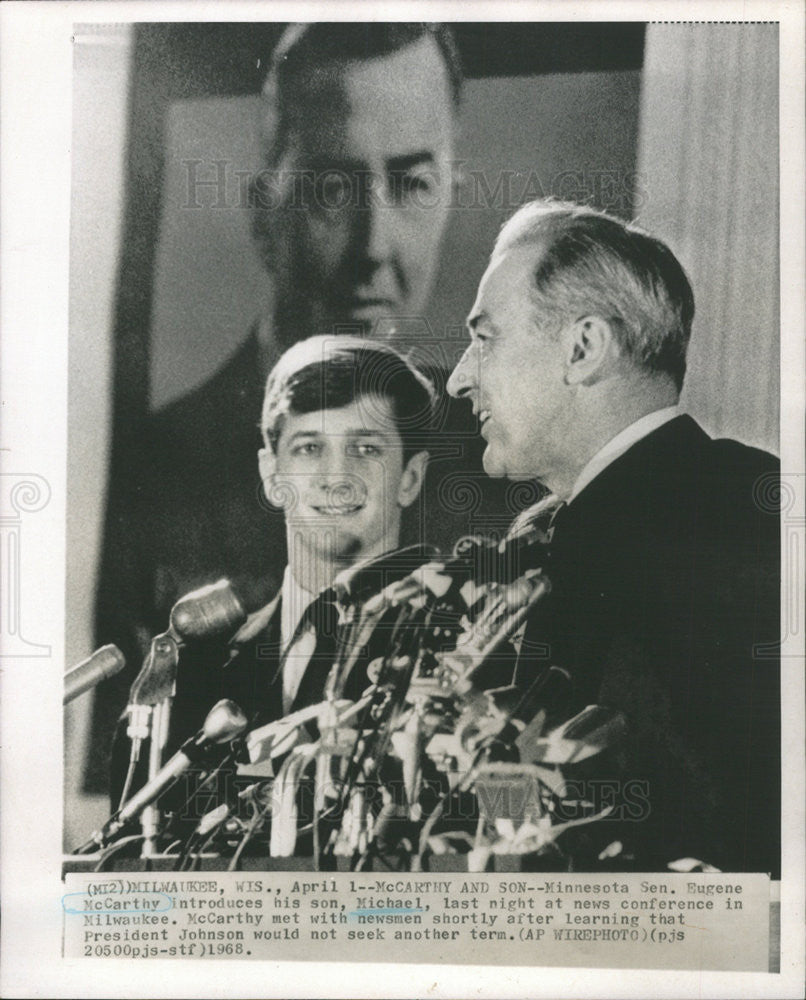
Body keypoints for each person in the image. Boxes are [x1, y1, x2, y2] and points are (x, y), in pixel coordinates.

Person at [93, 24, 510, 790]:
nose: (376, 244)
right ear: (262, 209)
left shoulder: (500, 470)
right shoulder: (144, 471)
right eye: (330, 189)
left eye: (413, 183)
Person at [447, 199, 781, 874]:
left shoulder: (684, 535)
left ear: (583, 349)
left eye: (486, 339)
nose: (459, 378)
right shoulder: (746, 500)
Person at [109, 335, 438, 821]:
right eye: (309, 449)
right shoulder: (195, 668)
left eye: (365, 448)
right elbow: (131, 855)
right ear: (271, 474)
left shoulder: (465, 644)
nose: (337, 477)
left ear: (410, 477)